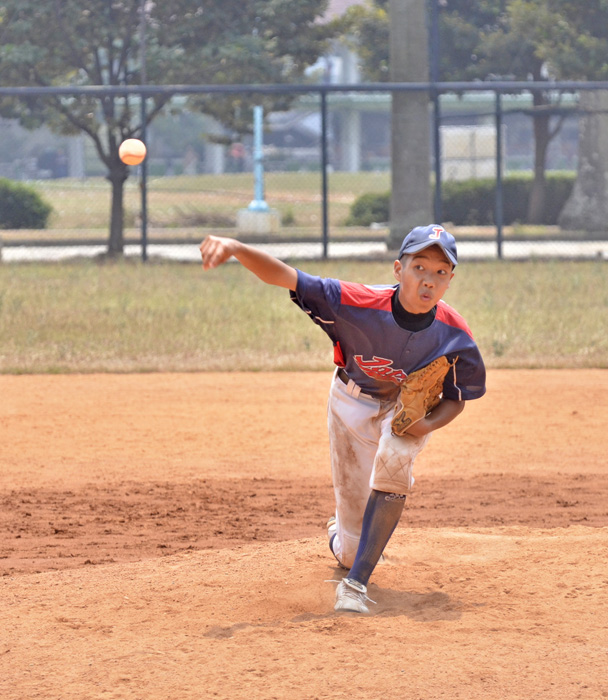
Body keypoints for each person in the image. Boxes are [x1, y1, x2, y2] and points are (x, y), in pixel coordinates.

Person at [200, 225, 486, 614]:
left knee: (395, 464)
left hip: (406, 413)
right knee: (351, 551)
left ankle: (355, 586)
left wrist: (428, 424)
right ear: (398, 269)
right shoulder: (355, 303)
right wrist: (234, 247)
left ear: (450, 281)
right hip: (351, 404)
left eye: (440, 272)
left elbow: (456, 398)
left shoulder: (455, 335)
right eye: (420, 266)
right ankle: (345, 543)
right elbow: (287, 276)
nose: (428, 280)